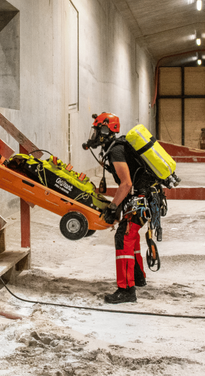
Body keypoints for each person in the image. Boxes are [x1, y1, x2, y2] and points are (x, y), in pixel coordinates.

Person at [84, 112, 157, 304]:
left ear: (107, 130)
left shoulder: (116, 150)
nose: (94, 134)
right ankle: (138, 277)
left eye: (97, 129)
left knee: (124, 235)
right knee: (130, 234)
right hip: (145, 196)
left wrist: (113, 206)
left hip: (143, 197)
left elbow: (126, 184)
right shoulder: (115, 148)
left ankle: (126, 290)